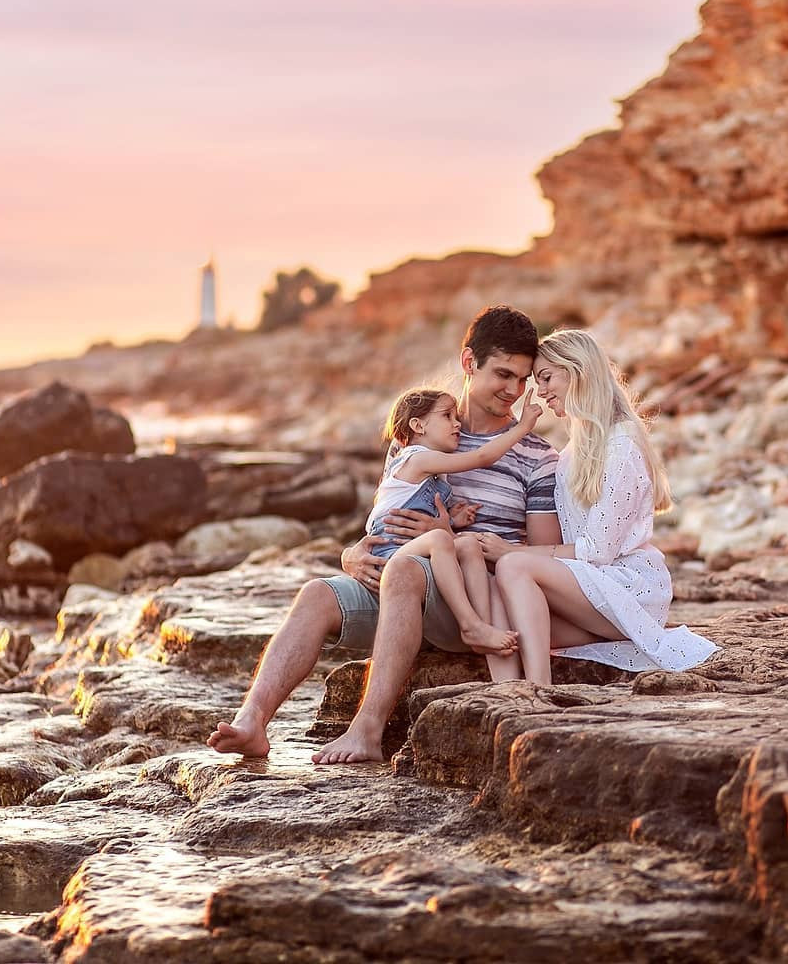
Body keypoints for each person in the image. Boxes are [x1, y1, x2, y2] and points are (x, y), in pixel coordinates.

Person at [206, 304, 559, 763]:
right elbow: (386, 513)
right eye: (503, 374)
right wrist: (351, 554)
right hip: (401, 585)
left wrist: (450, 535)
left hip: (473, 597)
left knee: (406, 570)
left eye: (522, 379)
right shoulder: (420, 438)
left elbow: (541, 557)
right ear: (469, 362)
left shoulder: (537, 456)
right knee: (316, 594)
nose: (513, 390)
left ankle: (366, 731)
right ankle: (251, 722)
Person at [474, 328, 718, 684]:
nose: (541, 392)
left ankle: (538, 688)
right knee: (499, 591)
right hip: (590, 591)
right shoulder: (572, 452)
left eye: (546, 378)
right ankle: (509, 691)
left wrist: (513, 551)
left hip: (629, 587)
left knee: (512, 565)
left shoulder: (621, 443)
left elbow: (598, 550)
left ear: (578, 371)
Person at [365, 387, 542, 656]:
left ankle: (483, 626)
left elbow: (418, 509)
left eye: (456, 417)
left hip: (410, 549)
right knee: (440, 539)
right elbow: (482, 457)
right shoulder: (417, 457)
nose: (457, 423)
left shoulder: (432, 470)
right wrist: (523, 428)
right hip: (388, 551)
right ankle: (469, 624)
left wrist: (455, 521)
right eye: (447, 416)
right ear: (418, 426)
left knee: (468, 545)